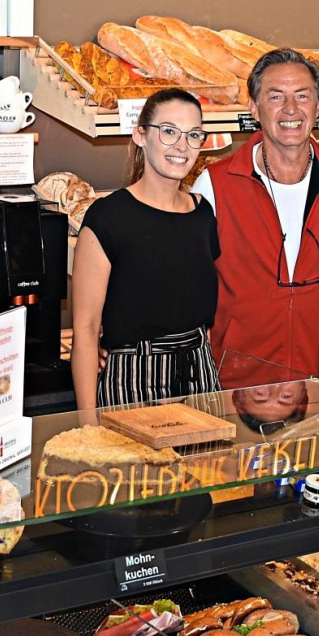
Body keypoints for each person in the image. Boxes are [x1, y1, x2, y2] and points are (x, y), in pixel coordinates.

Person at [191, 49, 319, 390]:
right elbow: (184, 284)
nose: (290, 109)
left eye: (302, 96)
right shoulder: (214, 185)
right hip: (237, 386)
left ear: (318, 106)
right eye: (275, 96)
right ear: (254, 108)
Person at [71, 88, 220, 410]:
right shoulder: (108, 217)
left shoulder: (203, 213)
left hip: (201, 376)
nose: (182, 146)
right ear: (141, 135)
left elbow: (200, 317)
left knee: (207, 462)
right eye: (169, 132)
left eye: (193, 135)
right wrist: (88, 428)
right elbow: (86, 329)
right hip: (134, 378)